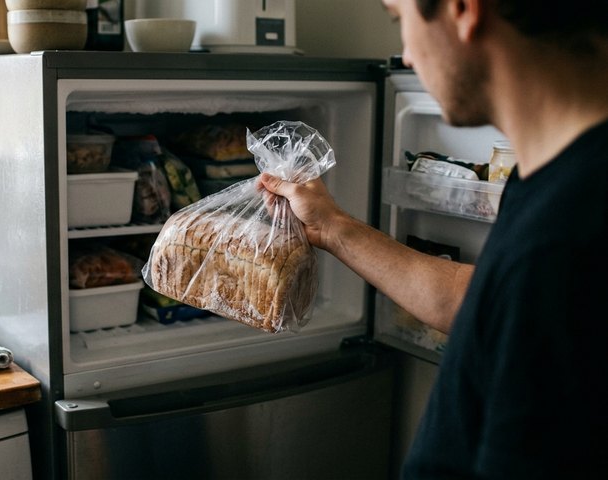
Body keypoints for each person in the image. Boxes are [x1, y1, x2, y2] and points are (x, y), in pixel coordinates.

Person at [259, 0, 608, 477]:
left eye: (401, 20)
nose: (405, 56)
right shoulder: (556, 179)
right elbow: (480, 304)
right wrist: (332, 227)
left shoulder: (566, 238)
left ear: (463, 9)